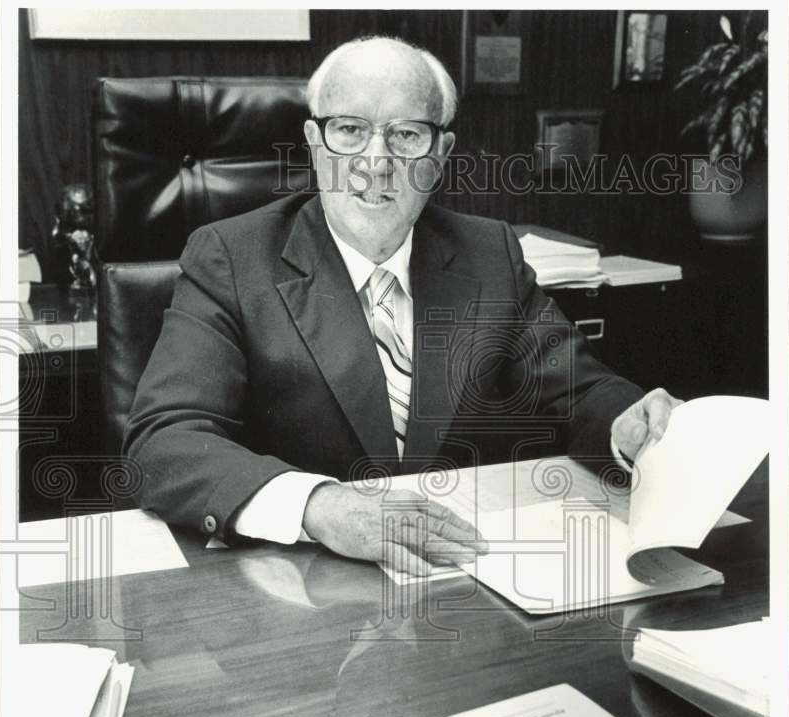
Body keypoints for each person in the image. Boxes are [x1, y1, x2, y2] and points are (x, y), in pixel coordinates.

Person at [125, 36, 680, 576]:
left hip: (464, 570)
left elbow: (576, 390)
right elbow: (164, 441)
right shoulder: (231, 257)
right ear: (315, 145)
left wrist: (627, 424)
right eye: (349, 130)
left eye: (407, 135)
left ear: (440, 155)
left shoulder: (489, 253)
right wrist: (319, 506)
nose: (376, 161)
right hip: (297, 581)